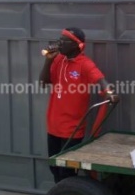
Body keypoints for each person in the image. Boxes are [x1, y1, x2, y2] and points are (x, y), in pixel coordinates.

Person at [39, 27, 119, 183]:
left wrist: (109, 92)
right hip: (53, 125)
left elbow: (100, 79)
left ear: (77, 45)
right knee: (54, 168)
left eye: (64, 41)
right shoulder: (57, 60)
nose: (59, 43)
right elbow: (43, 81)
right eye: (59, 39)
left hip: (72, 129)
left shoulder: (85, 64)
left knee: (67, 171)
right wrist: (48, 60)